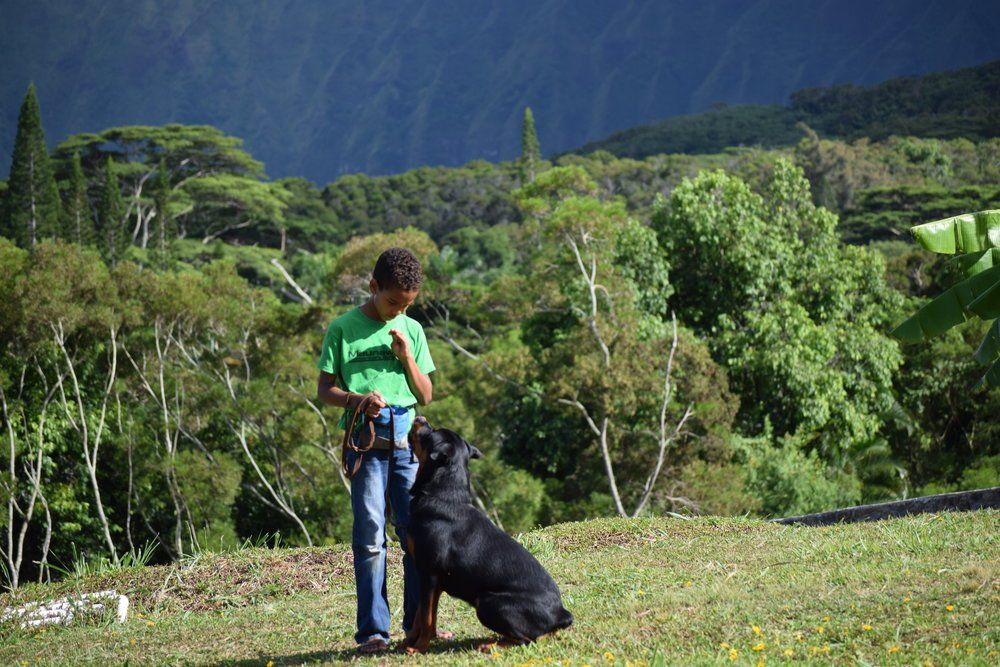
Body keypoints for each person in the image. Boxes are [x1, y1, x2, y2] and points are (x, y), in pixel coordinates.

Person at [316, 247, 439, 654]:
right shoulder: (343, 329)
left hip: (407, 443)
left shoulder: (413, 330)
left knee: (415, 536)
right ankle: (373, 632)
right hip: (365, 445)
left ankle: (418, 628)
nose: (397, 311)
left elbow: (426, 394)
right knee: (370, 537)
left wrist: (406, 356)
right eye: (391, 302)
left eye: (406, 304)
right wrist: (356, 400)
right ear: (373, 287)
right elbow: (325, 390)